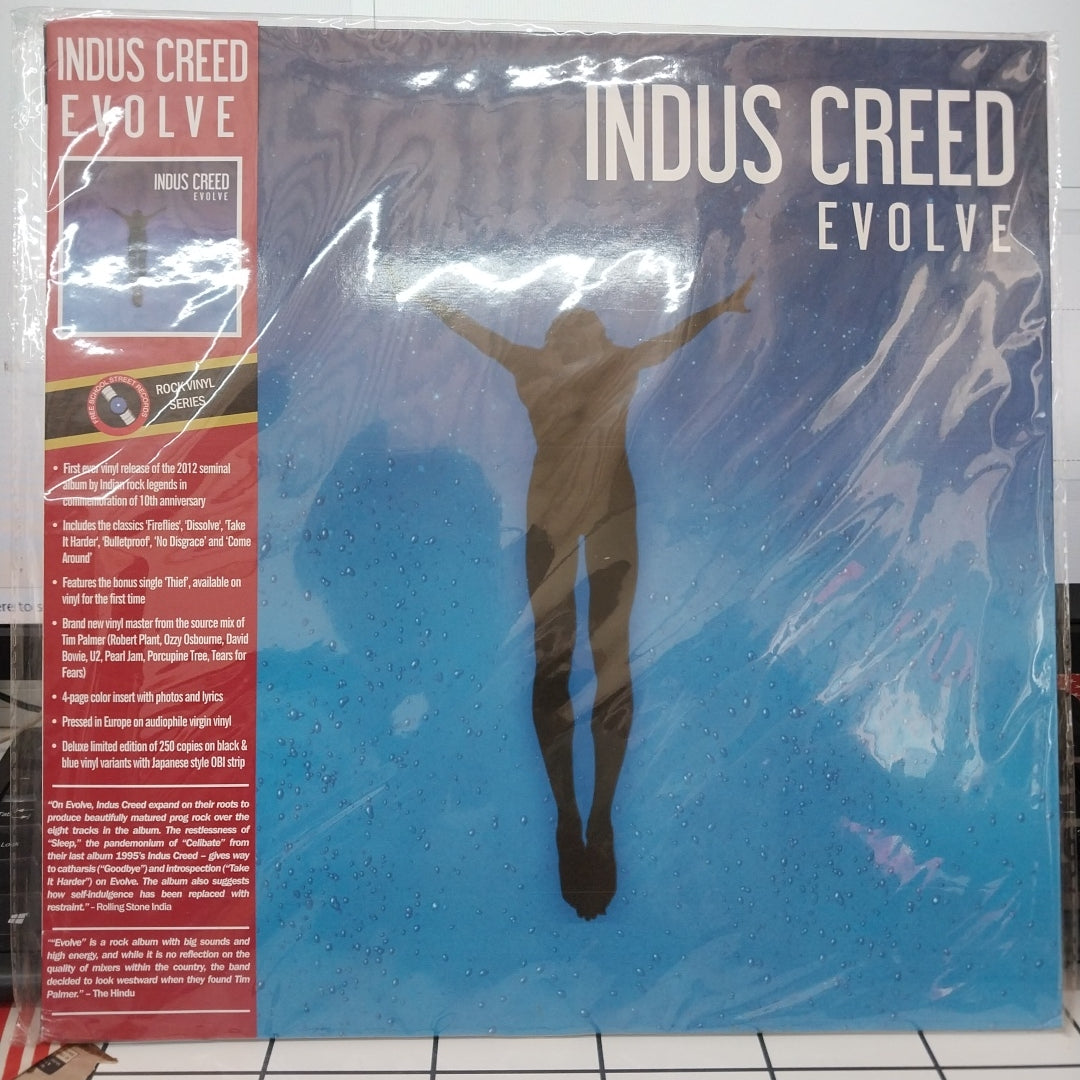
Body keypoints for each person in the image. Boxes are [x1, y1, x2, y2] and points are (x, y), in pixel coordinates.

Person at [421, 275, 753, 918]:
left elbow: (477, 333)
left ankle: (581, 814)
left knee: (575, 659)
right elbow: (673, 336)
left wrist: (431, 298)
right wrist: (721, 306)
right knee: (594, 658)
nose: (583, 331)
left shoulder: (549, 363)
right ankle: (586, 813)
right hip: (594, 518)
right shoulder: (606, 362)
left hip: (570, 518)